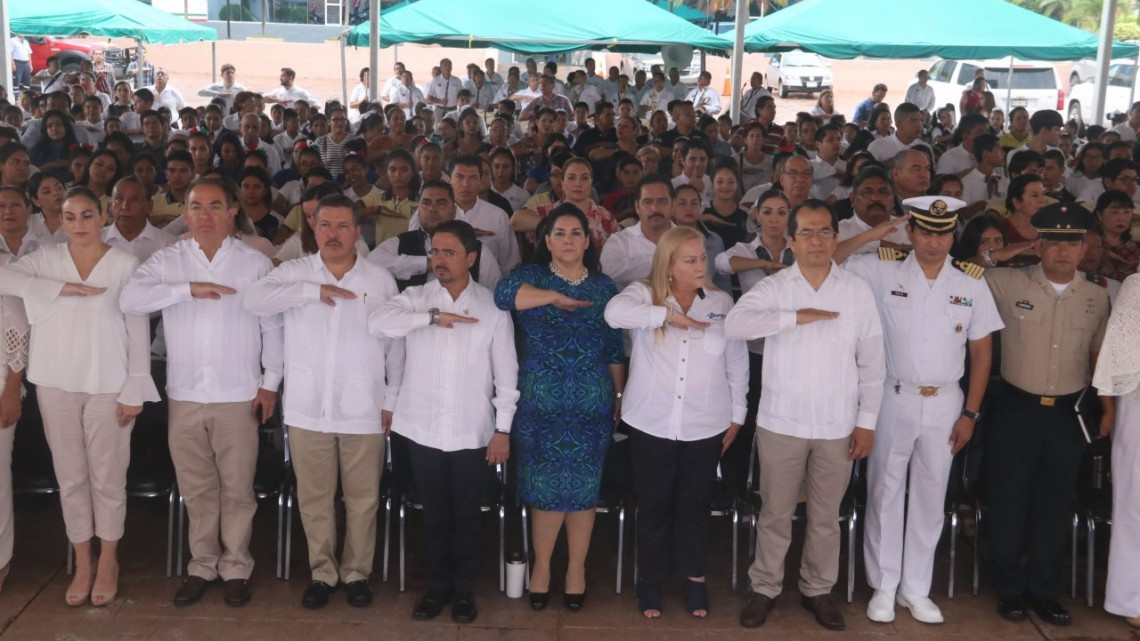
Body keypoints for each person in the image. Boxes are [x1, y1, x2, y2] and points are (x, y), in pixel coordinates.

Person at [838, 197, 1004, 625]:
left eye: (943, 232)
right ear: (909, 232)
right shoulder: (880, 269)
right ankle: (884, 585)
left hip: (947, 400)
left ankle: (916, 588)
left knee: (931, 498)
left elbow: (982, 355)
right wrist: (877, 233)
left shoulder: (970, 282)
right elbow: (832, 262)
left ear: (954, 235)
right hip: (893, 396)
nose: (935, 241)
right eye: (926, 231)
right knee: (884, 493)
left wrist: (970, 414)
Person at [119, 177, 284, 608]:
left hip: (238, 393)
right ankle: (202, 564)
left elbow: (273, 327)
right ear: (184, 214)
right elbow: (130, 299)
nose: (205, 215)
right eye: (196, 207)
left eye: (215, 206)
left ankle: (236, 567)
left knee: (237, 488)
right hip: (187, 393)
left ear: (233, 212)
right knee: (196, 487)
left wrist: (270, 384)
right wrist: (186, 290)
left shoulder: (254, 263)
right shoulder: (168, 260)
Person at [728, 199, 885, 632]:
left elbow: (873, 363)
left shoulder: (855, 290)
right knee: (776, 512)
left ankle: (818, 590)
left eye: (824, 232)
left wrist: (866, 422)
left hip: (838, 424)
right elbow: (734, 324)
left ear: (836, 238)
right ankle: (765, 587)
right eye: (808, 234)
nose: (817, 241)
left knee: (825, 516)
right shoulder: (776, 288)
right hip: (782, 422)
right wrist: (795, 318)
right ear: (792, 242)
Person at [0, 186, 159, 607]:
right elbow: (4, 276)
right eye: (70, 218)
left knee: (108, 477)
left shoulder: (125, 263)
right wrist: (59, 289)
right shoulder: (46, 260)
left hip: (110, 384)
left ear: (103, 215)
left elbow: (138, 329)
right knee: (70, 477)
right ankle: (82, 559)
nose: (78, 225)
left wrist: (135, 388)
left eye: (87, 216)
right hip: (54, 381)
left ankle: (108, 559)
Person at [244, 194, 400, 609]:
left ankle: (357, 574)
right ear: (313, 227)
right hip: (307, 405)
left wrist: (392, 398)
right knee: (314, 499)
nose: (333, 234)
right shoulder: (294, 273)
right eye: (325, 225)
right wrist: (312, 291)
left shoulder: (379, 279)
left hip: (363, 407)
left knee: (363, 499)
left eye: (343, 226)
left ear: (357, 231)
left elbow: (395, 345)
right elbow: (253, 301)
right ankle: (323, 573)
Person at [369, 219, 518, 624]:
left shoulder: (491, 308)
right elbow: (378, 322)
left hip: (473, 430)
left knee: (467, 514)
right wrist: (432, 318)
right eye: (435, 251)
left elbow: (507, 375)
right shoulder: (415, 297)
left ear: (472, 257)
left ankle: (464, 589)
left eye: (449, 252)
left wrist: (503, 428)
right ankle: (436, 588)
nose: (439, 260)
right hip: (423, 427)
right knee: (433, 514)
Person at [604, 225, 746, 620]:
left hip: (705, 423)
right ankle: (649, 580)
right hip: (651, 421)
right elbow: (613, 314)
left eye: (702, 258)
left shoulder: (720, 302)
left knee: (693, 505)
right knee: (653, 504)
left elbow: (736, 363)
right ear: (668, 265)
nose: (700, 266)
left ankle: (695, 579)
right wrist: (666, 315)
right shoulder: (642, 294)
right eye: (690, 260)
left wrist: (738, 415)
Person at [983, 202, 1112, 626]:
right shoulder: (1006, 281)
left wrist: (1107, 409)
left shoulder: (1096, 294)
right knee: (1008, 501)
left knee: (1054, 505)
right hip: (1016, 409)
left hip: (1067, 415)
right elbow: (956, 273)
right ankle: (1008, 590)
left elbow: (1098, 360)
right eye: (1053, 241)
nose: (1063, 250)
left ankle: (1043, 591)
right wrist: (1002, 252)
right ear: (1039, 244)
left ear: (1084, 247)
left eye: (1072, 242)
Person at [493, 204, 624, 612]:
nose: (568, 240)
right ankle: (543, 569)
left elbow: (614, 348)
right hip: (539, 403)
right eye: (559, 233)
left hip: (590, 403)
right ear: (545, 240)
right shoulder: (530, 277)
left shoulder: (604, 288)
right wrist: (554, 296)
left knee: (583, 491)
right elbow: (503, 297)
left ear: (588, 240)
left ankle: (576, 571)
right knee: (544, 491)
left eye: (575, 233)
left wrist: (618, 397)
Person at [1091, 273, 1140, 630]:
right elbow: (1116, 355)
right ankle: (1130, 597)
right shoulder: (1137, 286)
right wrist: (1109, 408)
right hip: (1137, 402)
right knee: (1134, 504)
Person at [369, 180, 502, 291]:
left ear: (454, 210)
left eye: (441, 203)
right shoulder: (401, 242)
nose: (432, 208)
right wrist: (427, 264)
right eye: (426, 203)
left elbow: (493, 297)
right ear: (418, 209)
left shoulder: (478, 250)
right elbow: (371, 263)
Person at [600, 175, 675, 289]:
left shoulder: (689, 240)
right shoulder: (619, 241)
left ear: (672, 205)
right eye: (647, 202)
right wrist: (668, 262)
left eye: (662, 201)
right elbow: (607, 271)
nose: (655, 208)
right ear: (637, 207)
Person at [102, 177, 174, 263]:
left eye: (134, 200)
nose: (125, 207)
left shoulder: (168, 245)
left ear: (149, 206)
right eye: (119, 199)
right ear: (111, 205)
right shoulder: (95, 240)